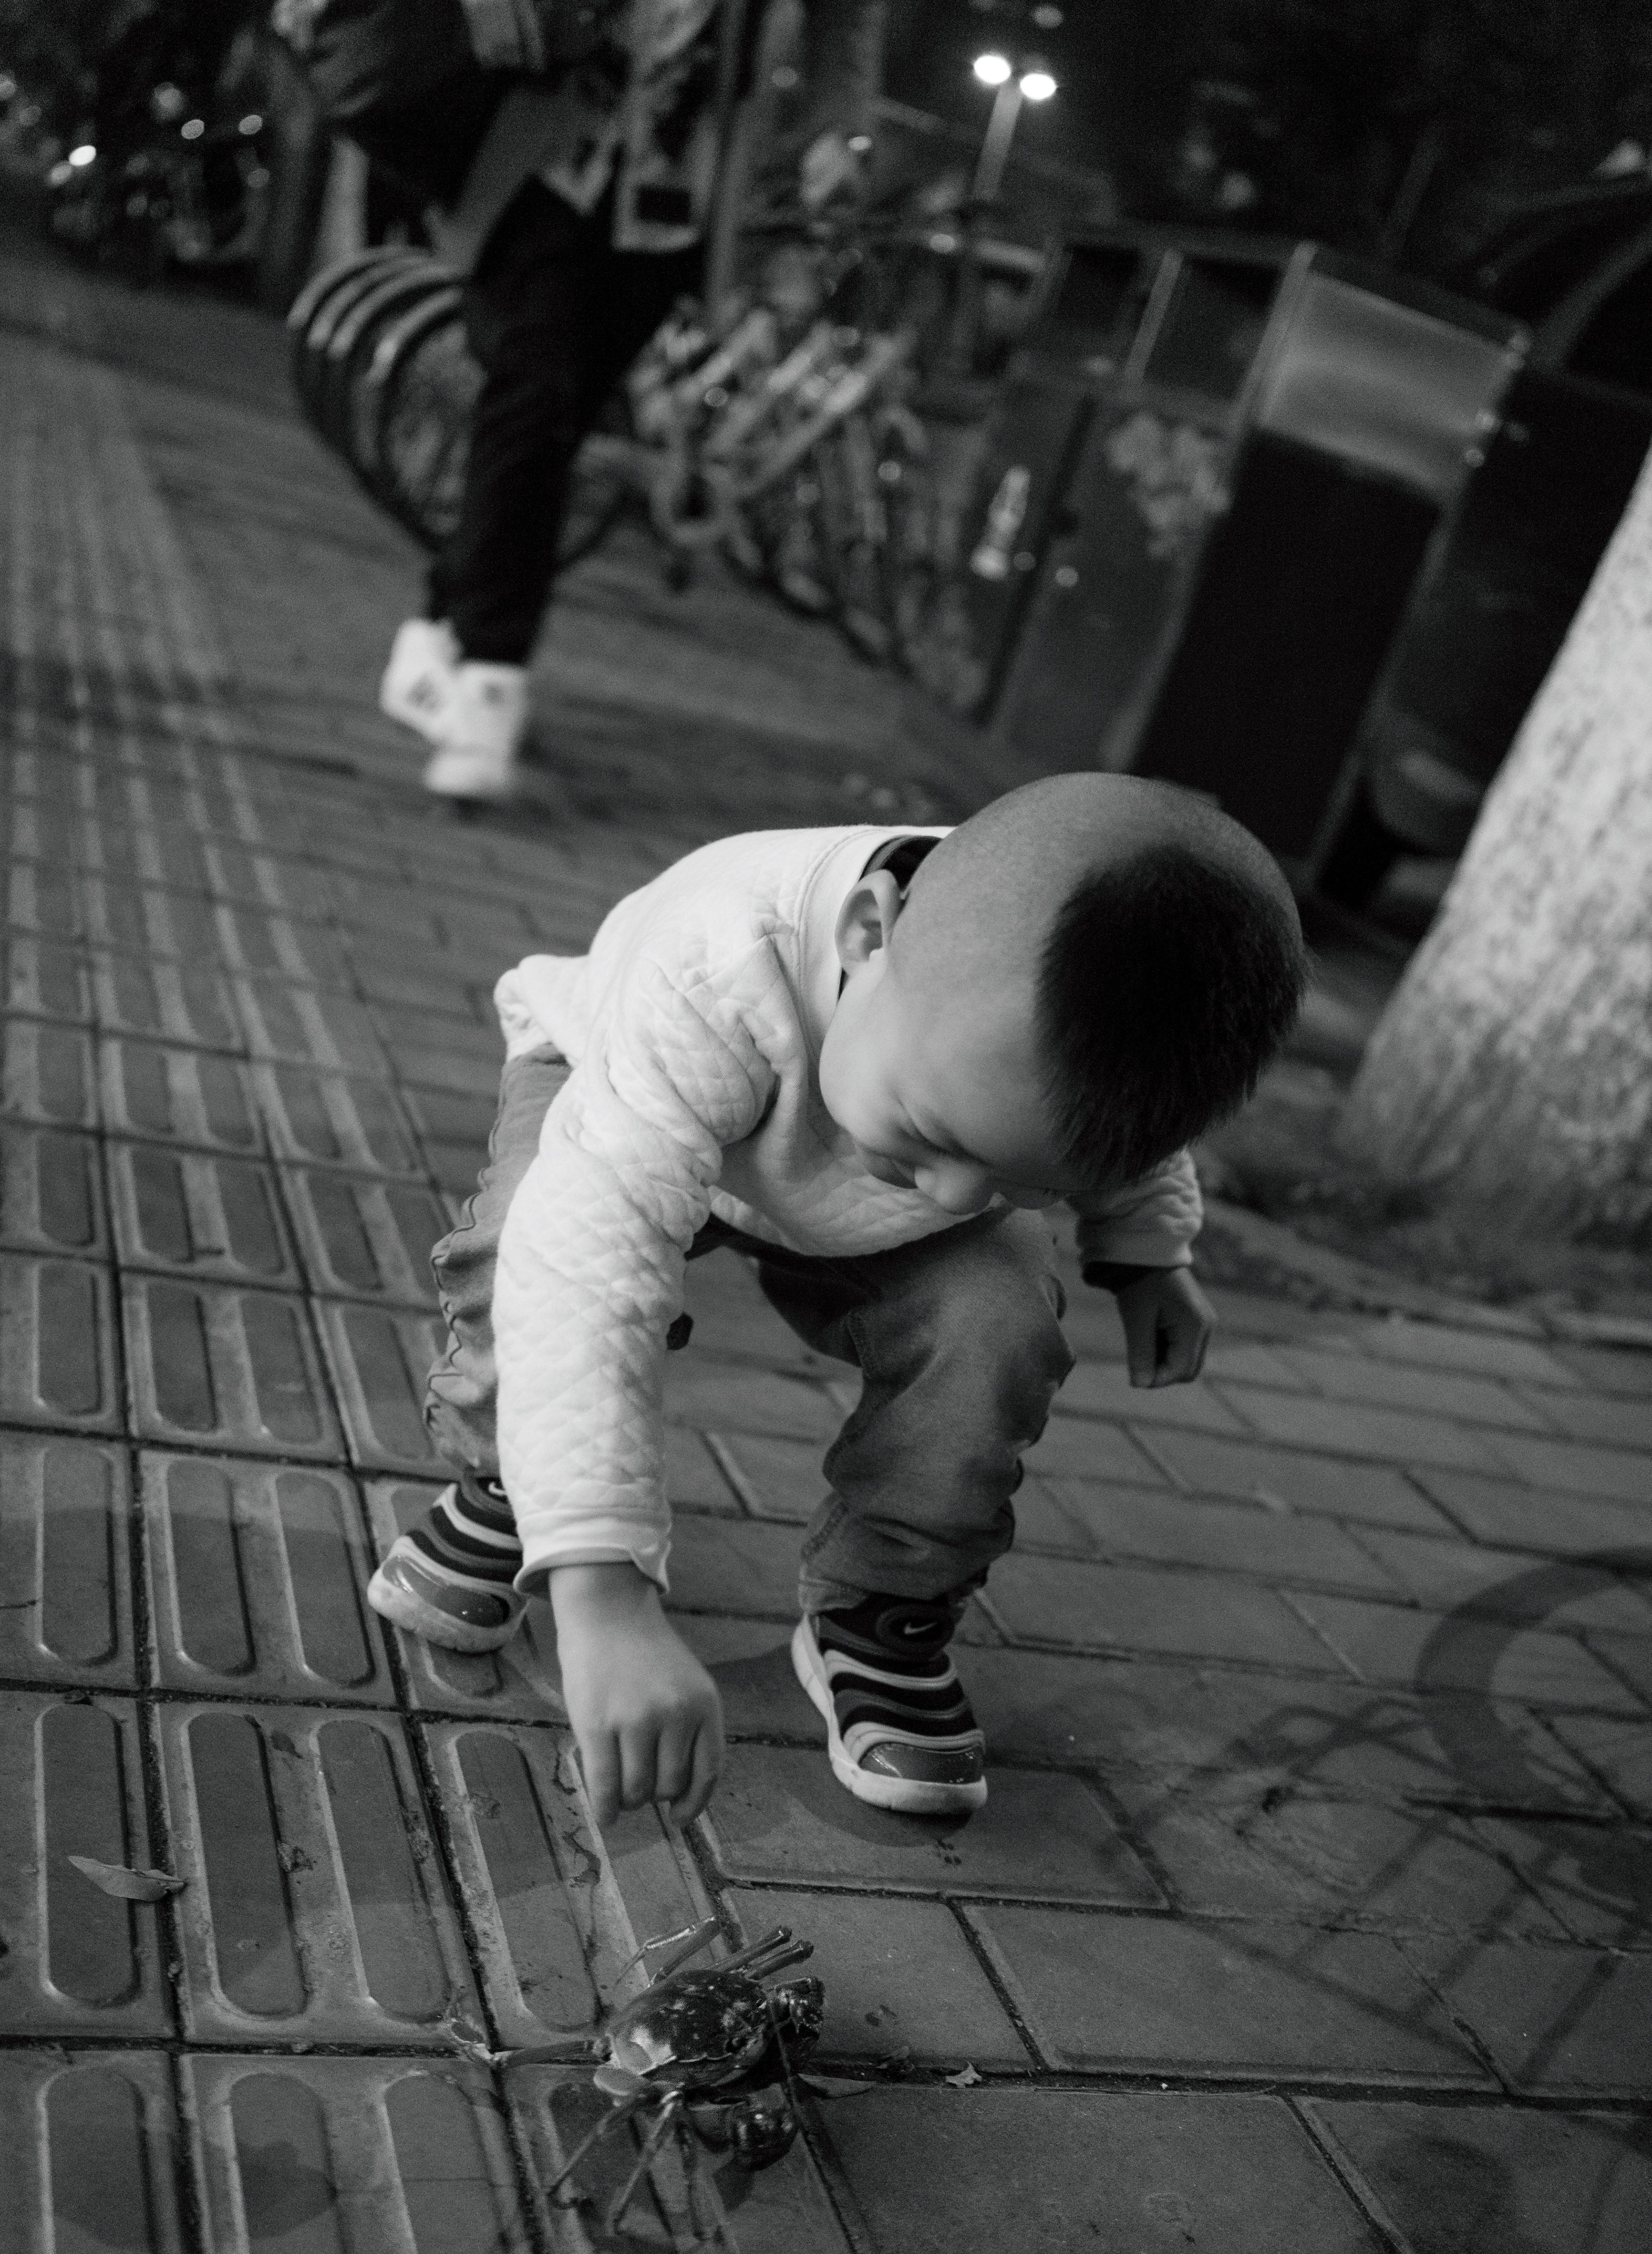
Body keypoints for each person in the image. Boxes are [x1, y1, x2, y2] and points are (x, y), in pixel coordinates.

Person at [367, 772, 1308, 1825]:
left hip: (845, 1159)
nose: (957, 1194)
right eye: (944, 1136)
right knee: (530, 1248)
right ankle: (517, 1490)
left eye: (1023, 1178)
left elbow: (1125, 1145)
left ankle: (882, 1604)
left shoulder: (1068, 1028)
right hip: (630, 1095)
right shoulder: (717, 963)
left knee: (999, 1320)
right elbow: (590, 1270)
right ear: (870, 934)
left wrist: (1146, 1254)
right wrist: (603, 1597)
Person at [368, 0, 886, 800]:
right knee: (533, 400)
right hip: (546, 148)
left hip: (672, 187)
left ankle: (440, 634)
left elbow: (847, 20)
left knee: (558, 424)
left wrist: (837, 131)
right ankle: (490, 679)